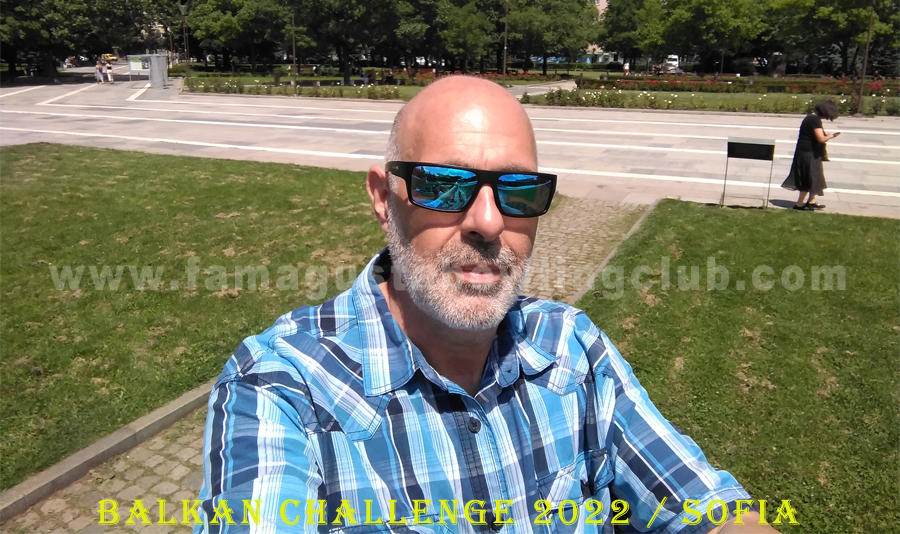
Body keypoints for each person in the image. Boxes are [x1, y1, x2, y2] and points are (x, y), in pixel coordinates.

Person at [197, 76, 777, 533]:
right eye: (445, 185)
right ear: (382, 197)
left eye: (518, 191)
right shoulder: (281, 388)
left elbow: (704, 507)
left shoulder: (572, 349)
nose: (489, 222)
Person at [781, 99, 840, 210]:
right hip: (808, 153)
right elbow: (821, 139)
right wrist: (830, 136)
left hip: (806, 152)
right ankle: (799, 204)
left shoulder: (811, 118)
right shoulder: (814, 120)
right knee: (808, 178)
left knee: (814, 176)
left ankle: (811, 201)